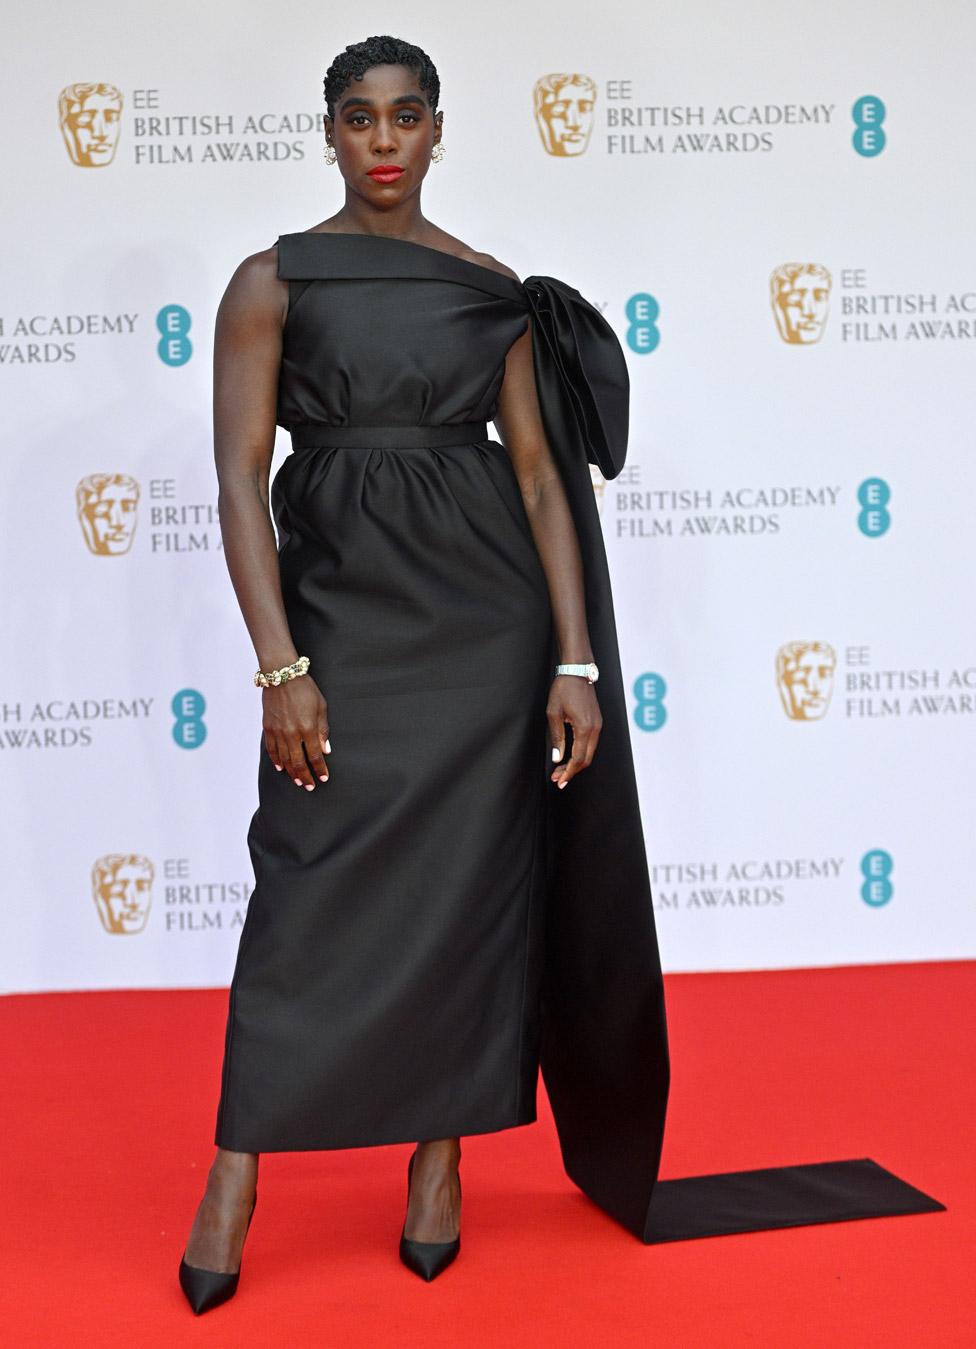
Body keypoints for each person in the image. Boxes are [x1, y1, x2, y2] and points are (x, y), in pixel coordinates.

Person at [178, 35, 670, 1315]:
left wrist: (572, 657)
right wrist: (279, 662)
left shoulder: (488, 289)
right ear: (329, 132)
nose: (384, 140)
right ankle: (236, 1169)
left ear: (439, 131)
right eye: (359, 117)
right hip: (338, 620)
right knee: (302, 885)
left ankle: (438, 1162)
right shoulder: (269, 281)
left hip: (483, 628)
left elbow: (535, 478)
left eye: (407, 118)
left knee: (470, 895)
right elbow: (237, 477)